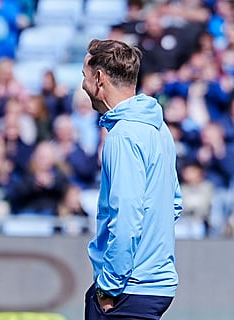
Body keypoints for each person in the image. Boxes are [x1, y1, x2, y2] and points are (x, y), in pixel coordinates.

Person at [81, 39, 183, 320]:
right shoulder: (159, 129)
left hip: (128, 288)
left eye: (84, 76)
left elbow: (126, 218)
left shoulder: (123, 136)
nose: (82, 85)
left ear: (99, 79)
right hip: (154, 285)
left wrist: (108, 287)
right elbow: (173, 204)